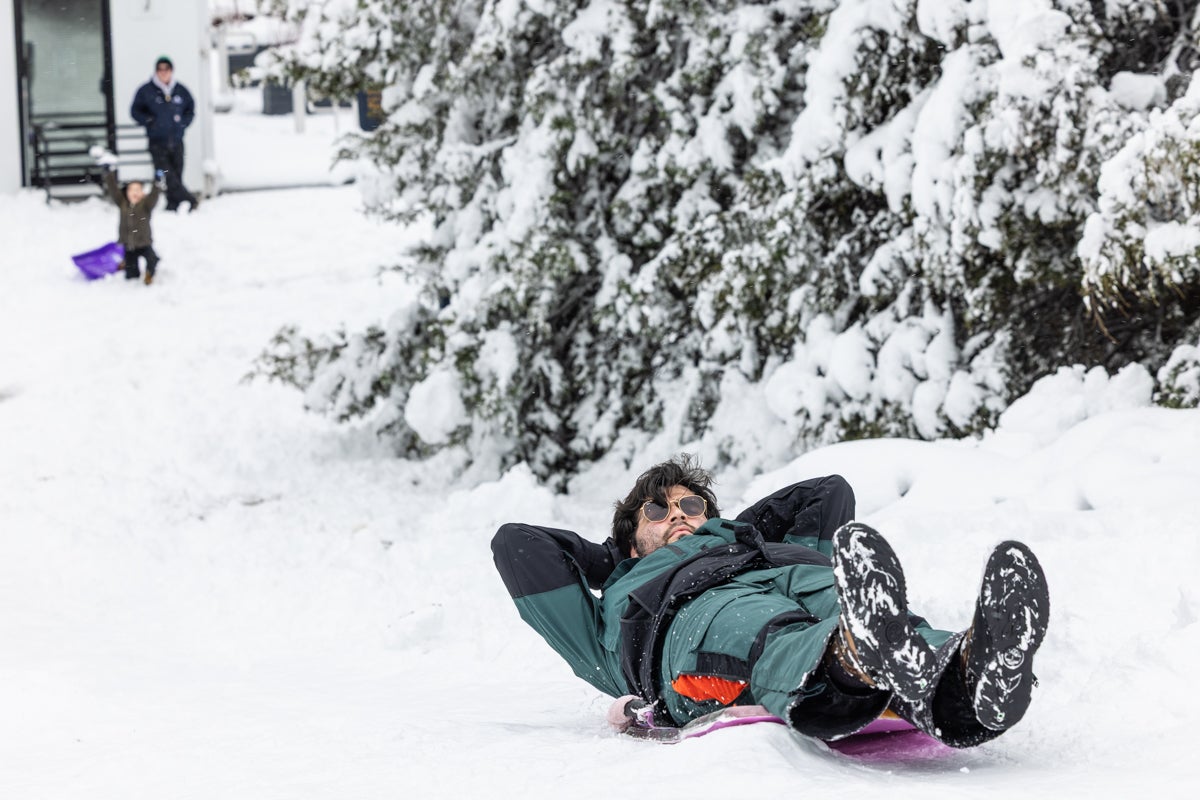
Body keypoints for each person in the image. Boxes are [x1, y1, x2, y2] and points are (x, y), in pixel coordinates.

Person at [491, 454, 1050, 748]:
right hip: (684, 618)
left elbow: (827, 491)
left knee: (849, 602)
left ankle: (968, 668)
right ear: (630, 534)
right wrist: (616, 559)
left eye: (691, 505)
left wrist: (729, 534)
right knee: (764, 628)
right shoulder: (616, 600)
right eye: (657, 512)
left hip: (782, 572)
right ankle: (852, 659)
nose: (678, 514)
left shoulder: (762, 545)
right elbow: (517, 543)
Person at [130, 56, 199, 212]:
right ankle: (189, 199)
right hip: (157, 141)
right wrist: (149, 121)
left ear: (171, 71)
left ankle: (172, 203)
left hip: (176, 139)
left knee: (177, 172)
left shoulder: (180, 90)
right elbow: (135, 111)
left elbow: (190, 110)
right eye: (160, 69)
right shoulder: (146, 91)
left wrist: (183, 124)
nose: (163, 73)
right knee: (167, 174)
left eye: (166, 69)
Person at [101, 163, 164, 285]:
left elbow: (154, 196)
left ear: (142, 193)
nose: (134, 193)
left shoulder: (146, 205)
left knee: (152, 260)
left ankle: (149, 274)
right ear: (127, 193)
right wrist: (108, 174)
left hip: (144, 243)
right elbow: (113, 190)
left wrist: (157, 183)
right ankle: (128, 266)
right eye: (131, 190)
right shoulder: (122, 203)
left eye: (138, 190)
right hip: (129, 245)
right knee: (131, 275)